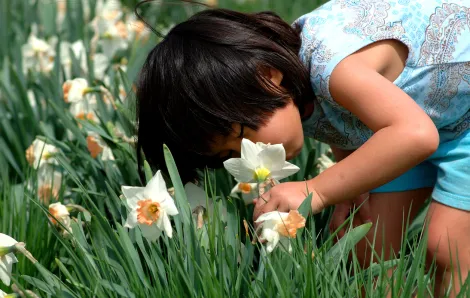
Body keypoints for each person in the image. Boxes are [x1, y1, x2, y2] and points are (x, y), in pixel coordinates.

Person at [135, 0, 470, 296]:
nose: (252, 152)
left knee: (445, 248)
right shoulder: (294, 96)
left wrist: (318, 190)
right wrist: (351, 187)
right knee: (370, 249)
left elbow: (416, 135)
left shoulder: (333, 67)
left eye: (242, 133)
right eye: (230, 154)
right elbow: (347, 122)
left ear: (267, 76)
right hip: (421, 118)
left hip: (455, 119)